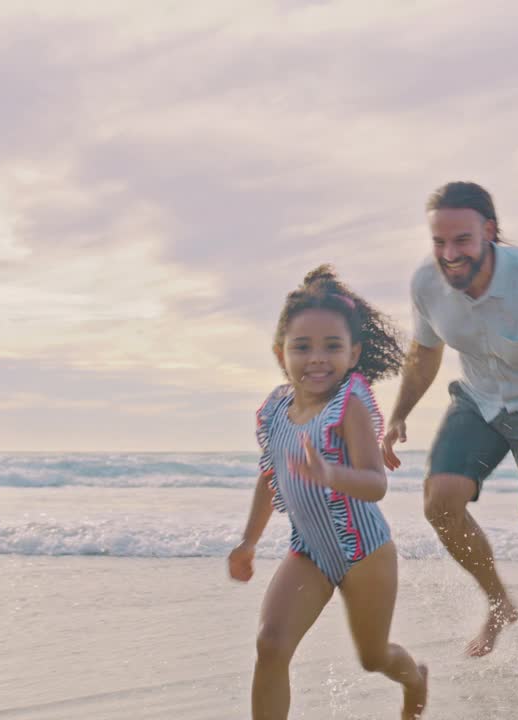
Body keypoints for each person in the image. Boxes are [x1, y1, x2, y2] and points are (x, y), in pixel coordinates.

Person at [382, 181, 518, 681]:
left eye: (461, 241)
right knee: (440, 502)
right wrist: (398, 415)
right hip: (480, 399)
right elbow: (424, 352)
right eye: (439, 242)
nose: (449, 254)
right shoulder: (427, 283)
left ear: (490, 233)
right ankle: (499, 601)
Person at [228, 266, 427, 719]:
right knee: (270, 644)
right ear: (282, 354)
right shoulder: (276, 410)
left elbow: (376, 484)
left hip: (365, 553)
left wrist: (330, 474)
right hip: (309, 552)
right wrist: (249, 541)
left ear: (353, 353)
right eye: (302, 347)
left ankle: (415, 678)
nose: (317, 358)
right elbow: (269, 475)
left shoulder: (350, 405)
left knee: (373, 657)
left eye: (332, 347)